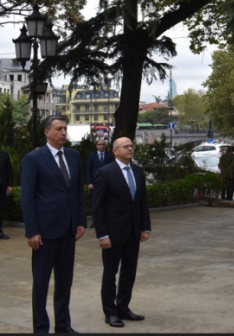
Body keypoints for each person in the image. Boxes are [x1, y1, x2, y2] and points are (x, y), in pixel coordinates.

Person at [20, 115, 86, 333]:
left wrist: (80, 220)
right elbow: (27, 197)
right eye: (58, 129)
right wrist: (32, 231)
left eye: (65, 129)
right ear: (47, 132)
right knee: (41, 283)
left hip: (68, 230)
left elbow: (77, 191)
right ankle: (41, 328)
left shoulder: (74, 156)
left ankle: (63, 326)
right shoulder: (34, 159)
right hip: (45, 233)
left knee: (65, 282)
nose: (63, 133)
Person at [92, 137, 151, 328]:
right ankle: (110, 312)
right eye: (125, 147)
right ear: (115, 151)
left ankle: (123, 307)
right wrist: (102, 235)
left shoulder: (137, 171)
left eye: (131, 146)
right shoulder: (105, 172)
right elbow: (98, 207)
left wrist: (145, 227)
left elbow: (142, 202)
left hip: (133, 232)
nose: (130, 149)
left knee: (129, 271)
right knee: (110, 273)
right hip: (112, 233)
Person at [0, 144, 13, 239]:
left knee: (0, 209)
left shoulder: (4, 155)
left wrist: (10, 184)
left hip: (2, 187)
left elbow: (9, 170)